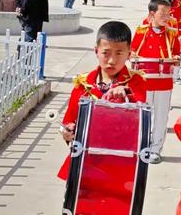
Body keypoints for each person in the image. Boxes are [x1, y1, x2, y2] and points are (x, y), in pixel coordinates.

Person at [58, 21, 146, 179]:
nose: (112, 60)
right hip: (84, 161)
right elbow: (69, 120)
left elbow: (140, 109)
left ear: (129, 53)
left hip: (118, 164)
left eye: (119, 53)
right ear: (96, 51)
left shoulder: (135, 82)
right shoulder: (83, 84)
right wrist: (67, 132)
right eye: (106, 53)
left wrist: (126, 94)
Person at [130, 0, 181, 163]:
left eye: (168, 13)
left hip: (164, 83)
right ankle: (141, 146)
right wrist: (133, 56)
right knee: (144, 114)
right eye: (163, 13)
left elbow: (176, 53)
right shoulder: (141, 31)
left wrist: (175, 58)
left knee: (161, 117)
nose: (167, 17)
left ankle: (156, 149)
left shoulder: (172, 34)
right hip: (144, 82)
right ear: (151, 14)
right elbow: (132, 51)